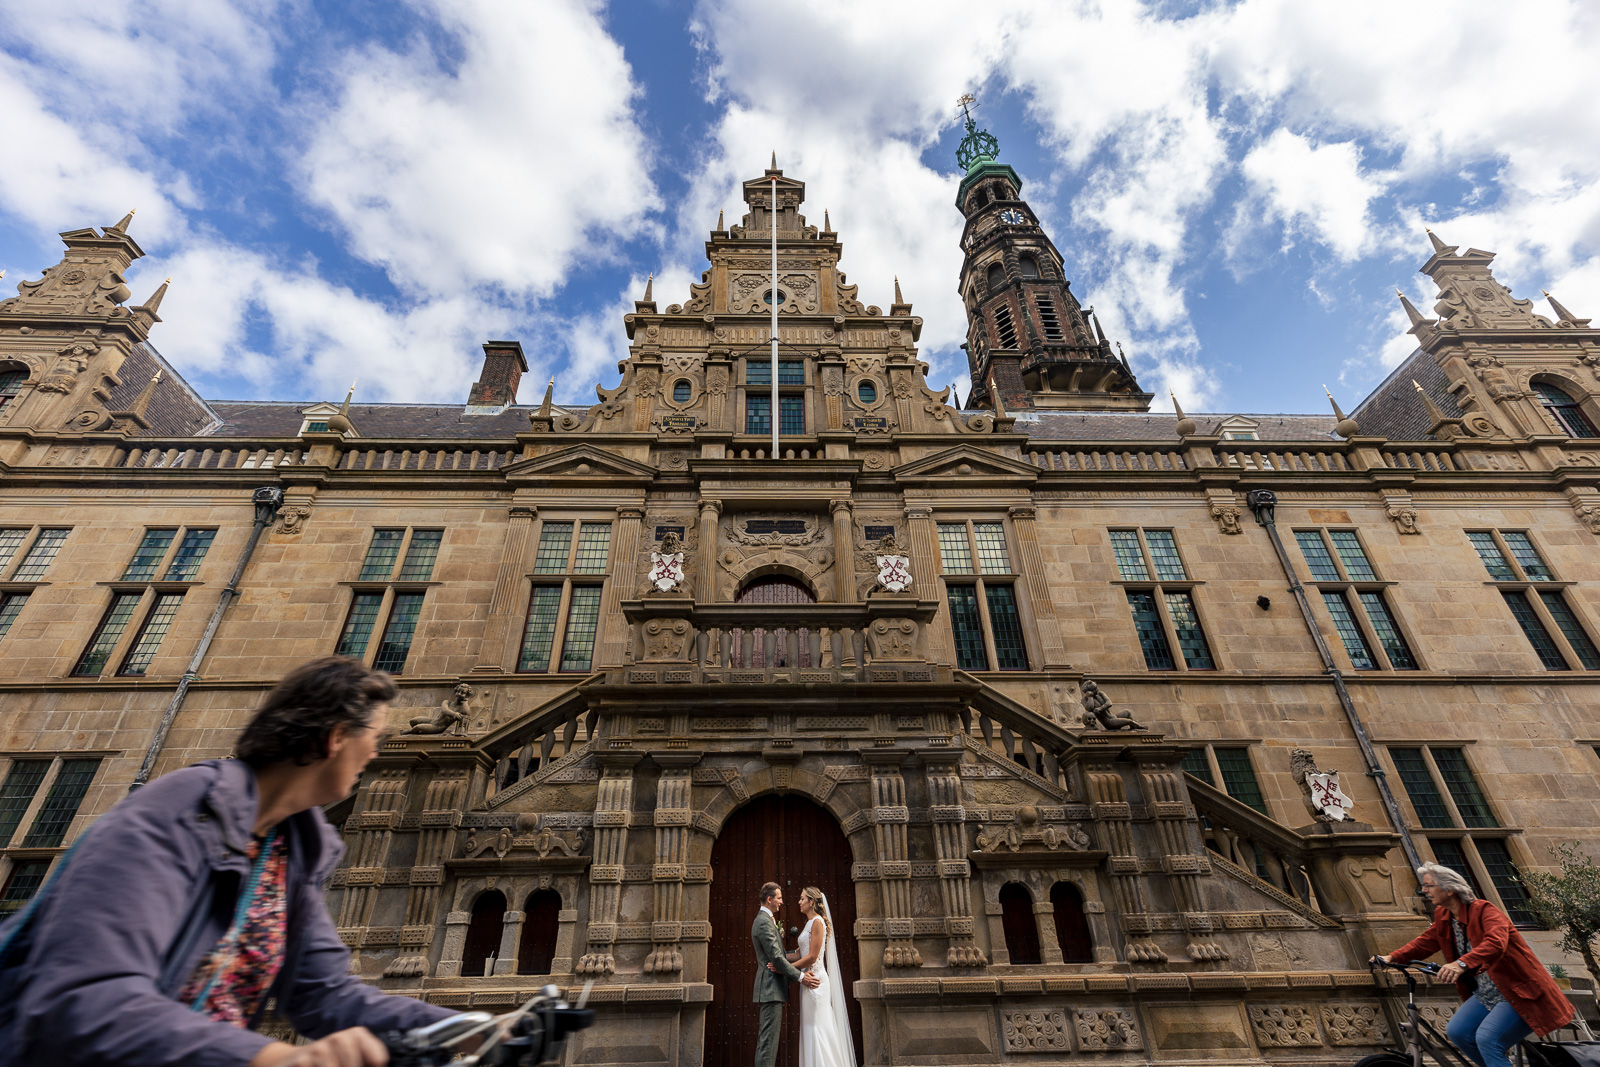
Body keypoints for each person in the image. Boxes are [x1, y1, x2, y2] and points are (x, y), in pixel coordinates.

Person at [0, 656, 463, 1067]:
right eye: (375, 738)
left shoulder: (292, 847)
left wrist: (475, 1027)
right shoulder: (179, 809)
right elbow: (86, 999)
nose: (378, 752)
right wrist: (277, 1057)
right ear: (336, 738)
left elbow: (326, 996)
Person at [1376, 862, 1574, 1067]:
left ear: (1449, 889)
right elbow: (1427, 941)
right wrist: (1392, 957)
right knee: (1458, 1032)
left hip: (1518, 992)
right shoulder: (1444, 916)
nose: (1423, 891)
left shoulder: (1486, 911)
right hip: (1487, 992)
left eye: (1428, 886)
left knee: (1488, 1039)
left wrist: (1460, 964)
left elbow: (1496, 943)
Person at [750, 882, 819, 1067]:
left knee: (768, 1041)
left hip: (773, 988)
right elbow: (776, 958)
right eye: (779, 898)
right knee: (767, 1043)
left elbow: (779, 955)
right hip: (770, 988)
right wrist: (802, 977)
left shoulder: (767, 920)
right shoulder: (764, 922)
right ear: (770, 899)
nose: (782, 902)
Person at [785, 887, 856, 1067]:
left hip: (816, 982)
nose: (799, 902)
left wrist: (786, 969)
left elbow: (812, 956)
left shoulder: (817, 922)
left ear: (811, 901)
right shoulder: (808, 923)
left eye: (802, 899)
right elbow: (800, 953)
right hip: (807, 981)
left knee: (818, 1029)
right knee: (810, 1029)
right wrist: (779, 957)